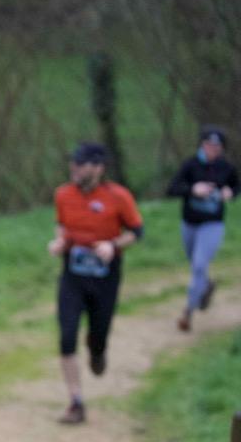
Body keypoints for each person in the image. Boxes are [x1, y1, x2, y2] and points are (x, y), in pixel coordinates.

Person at [47, 141, 143, 424]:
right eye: (73, 162)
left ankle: (97, 351)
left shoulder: (119, 196)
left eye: (80, 163)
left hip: (105, 275)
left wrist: (113, 245)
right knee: (66, 336)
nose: (74, 168)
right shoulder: (63, 194)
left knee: (98, 336)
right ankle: (76, 401)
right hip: (73, 274)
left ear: (98, 167)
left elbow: (136, 231)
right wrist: (60, 241)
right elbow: (61, 224)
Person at [166, 124, 237, 332]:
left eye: (216, 146)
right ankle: (206, 286)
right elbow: (171, 189)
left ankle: (187, 312)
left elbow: (236, 186)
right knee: (196, 266)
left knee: (198, 265)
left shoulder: (226, 167)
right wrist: (192, 190)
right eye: (207, 144)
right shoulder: (190, 165)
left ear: (222, 148)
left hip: (212, 224)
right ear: (201, 144)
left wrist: (230, 193)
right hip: (189, 224)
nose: (211, 149)